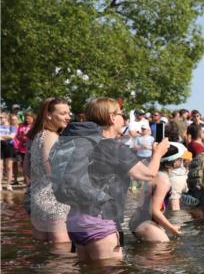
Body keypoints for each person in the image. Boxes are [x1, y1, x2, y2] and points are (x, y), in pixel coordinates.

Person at [54, 98, 170, 261]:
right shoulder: (112, 147)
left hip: (75, 221)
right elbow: (148, 174)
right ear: (111, 117)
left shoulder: (84, 143)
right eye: (121, 114)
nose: (124, 118)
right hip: (100, 220)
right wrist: (158, 153)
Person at [26, 97, 73, 247]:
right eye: (63, 113)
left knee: (42, 250)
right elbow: (54, 172)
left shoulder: (36, 136)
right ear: (49, 115)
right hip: (55, 202)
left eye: (69, 113)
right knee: (63, 253)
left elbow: (27, 169)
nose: (68, 116)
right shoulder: (52, 137)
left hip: (37, 199)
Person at [129, 143, 186, 242]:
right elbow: (154, 211)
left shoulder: (155, 174)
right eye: (179, 158)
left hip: (139, 220)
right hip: (146, 223)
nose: (182, 160)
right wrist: (172, 228)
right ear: (170, 162)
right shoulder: (163, 180)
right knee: (164, 251)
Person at [1, 112, 19, 190]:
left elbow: (12, 136)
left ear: (6, 118)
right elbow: (9, 136)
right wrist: (6, 137)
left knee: (9, 166)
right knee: (0, 167)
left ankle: (9, 184)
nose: (0, 119)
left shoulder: (12, 127)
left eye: (1, 117)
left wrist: (1, 136)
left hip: (9, 147)